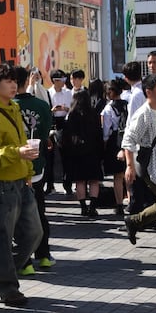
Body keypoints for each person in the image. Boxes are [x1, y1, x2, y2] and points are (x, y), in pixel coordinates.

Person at [0, 63, 43, 307]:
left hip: (19, 181)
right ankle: (5, 286)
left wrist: (27, 171)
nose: (14, 85)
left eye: (15, 81)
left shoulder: (13, 108)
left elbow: (21, 143)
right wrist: (17, 153)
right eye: (8, 82)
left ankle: (0, 272)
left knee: (33, 233)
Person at [121, 75, 156, 252]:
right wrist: (129, 166)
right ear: (148, 92)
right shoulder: (143, 114)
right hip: (151, 165)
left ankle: (134, 221)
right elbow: (128, 140)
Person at [11, 66, 54, 271]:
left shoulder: (8, 107)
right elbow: (45, 135)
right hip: (37, 166)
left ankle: (25, 262)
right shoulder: (42, 105)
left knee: (19, 216)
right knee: (39, 210)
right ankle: (44, 255)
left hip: (16, 166)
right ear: (28, 79)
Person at [62, 89, 104, 217]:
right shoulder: (94, 113)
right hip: (93, 150)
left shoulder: (71, 114)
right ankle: (92, 207)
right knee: (94, 180)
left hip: (76, 151)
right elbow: (99, 133)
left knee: (80, 181)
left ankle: (83, 207)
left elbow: (66, 135)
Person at [100, 78, 129, 217]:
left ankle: (119, 205)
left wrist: (104, 142)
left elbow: (106, 129)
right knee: (128, 174)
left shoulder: (108, 108)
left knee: (117, 177)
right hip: (128, 139)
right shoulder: (127, 104)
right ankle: (132, 201)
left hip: (114, 142)